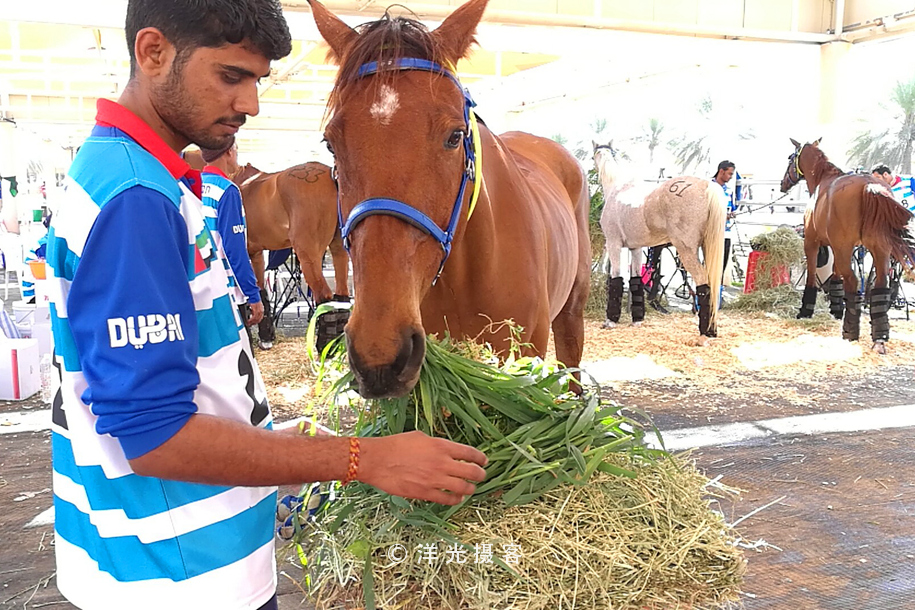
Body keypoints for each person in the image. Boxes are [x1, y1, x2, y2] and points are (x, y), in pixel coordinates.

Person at [46, 3, 488, 610]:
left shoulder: (137, 176)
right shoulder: (136, 201)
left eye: (257, 80)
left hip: (171, 556)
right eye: (231, 76)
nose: (250, 103)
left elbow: (160, 390)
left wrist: (278, 440)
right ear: (152, 53)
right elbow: (155, 438)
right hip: (180, 579)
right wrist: (361, 458)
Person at [200, 142, 264, 329]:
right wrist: (252, 294)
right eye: (236, 149)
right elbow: (234, 249)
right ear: (228, 151)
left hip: (203, 287)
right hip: (227, 293)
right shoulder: (228, 191)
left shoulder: (195, 185)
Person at [712, 160, 737, 277]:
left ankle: (718, 292)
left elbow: (731, 208)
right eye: (730, 174)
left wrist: (731, 214)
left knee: (721, 266)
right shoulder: (708, 188)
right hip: (711, 233)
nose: (731, 177)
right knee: (709, 264)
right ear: (721, 171)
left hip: (725, 232)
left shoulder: (729, 191)